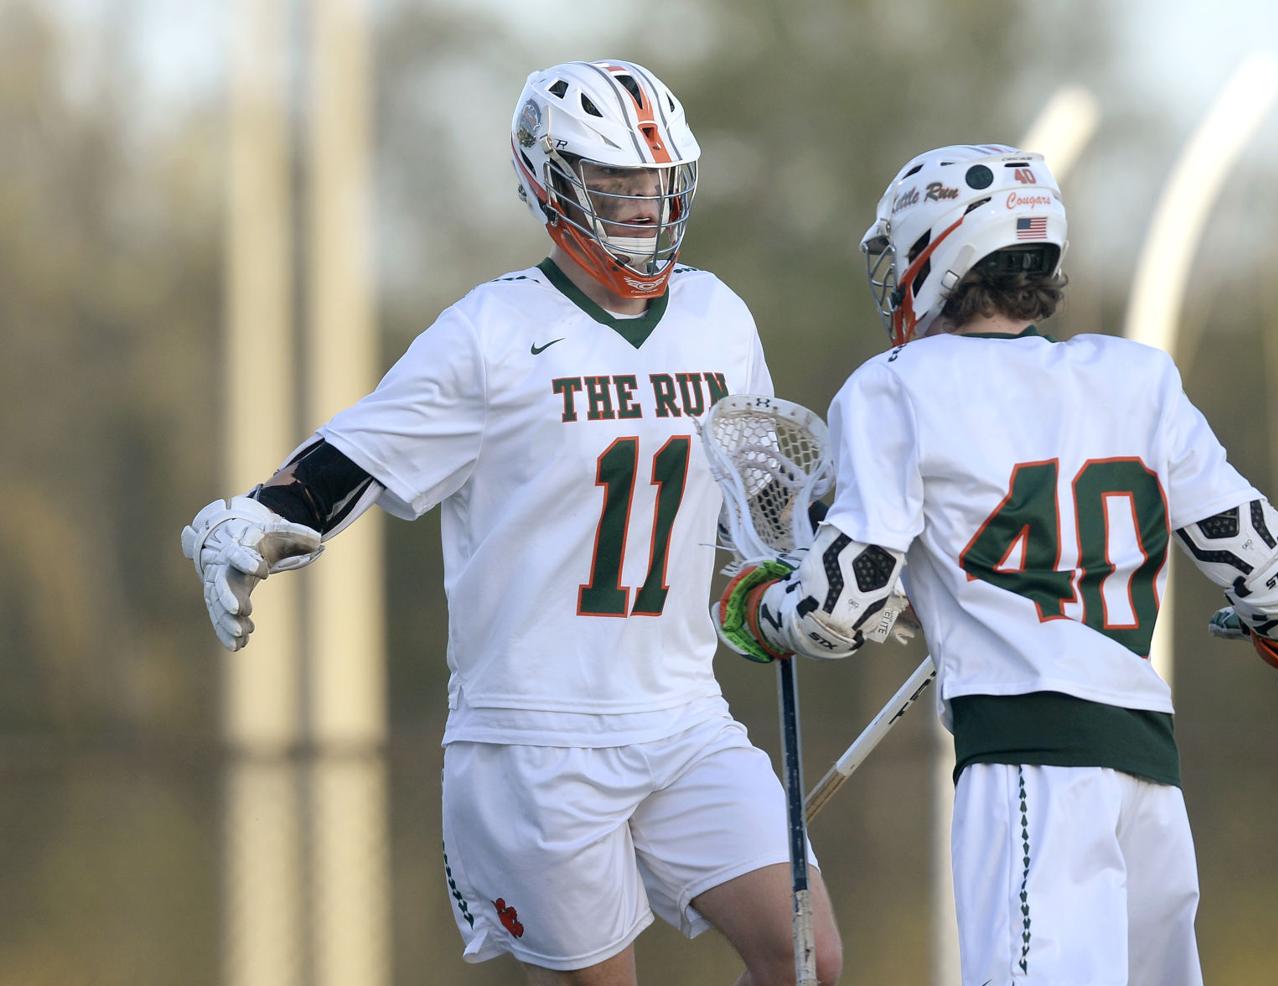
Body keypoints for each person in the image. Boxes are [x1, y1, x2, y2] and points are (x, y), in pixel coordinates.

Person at [182, 59, 842, 986]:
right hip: (535, 734)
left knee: (806, 958)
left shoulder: (720, 317)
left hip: (684, 712)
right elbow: (357, 452)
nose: (643, 207)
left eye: (656, 184)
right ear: (552, 182)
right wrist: (249, 522)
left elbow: (755, 504)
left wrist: (815, 579)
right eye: (614, 183)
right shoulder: (491, 330)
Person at [715, 143, 1278, 985]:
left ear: (937, 253)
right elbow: (1270, 571)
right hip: (1150, 780)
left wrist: (762, 613)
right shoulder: (1137, 377)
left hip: (1029, 769)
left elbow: (837, 612)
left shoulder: (895, 385)